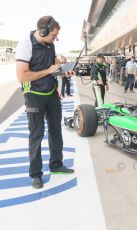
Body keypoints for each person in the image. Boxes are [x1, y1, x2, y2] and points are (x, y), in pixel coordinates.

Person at [16, 16, 74, 189]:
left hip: (51, 93)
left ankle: (56, 164)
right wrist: (48, 70)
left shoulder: (50, 44)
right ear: (43, 31)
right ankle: (35, 174)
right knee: (36, 134)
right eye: (53, 35)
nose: (54, 39)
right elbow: (22, 75)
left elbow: (51, 69)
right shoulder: (25, 44)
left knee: (56, 130)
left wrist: (62, 73)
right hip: (33, 94)